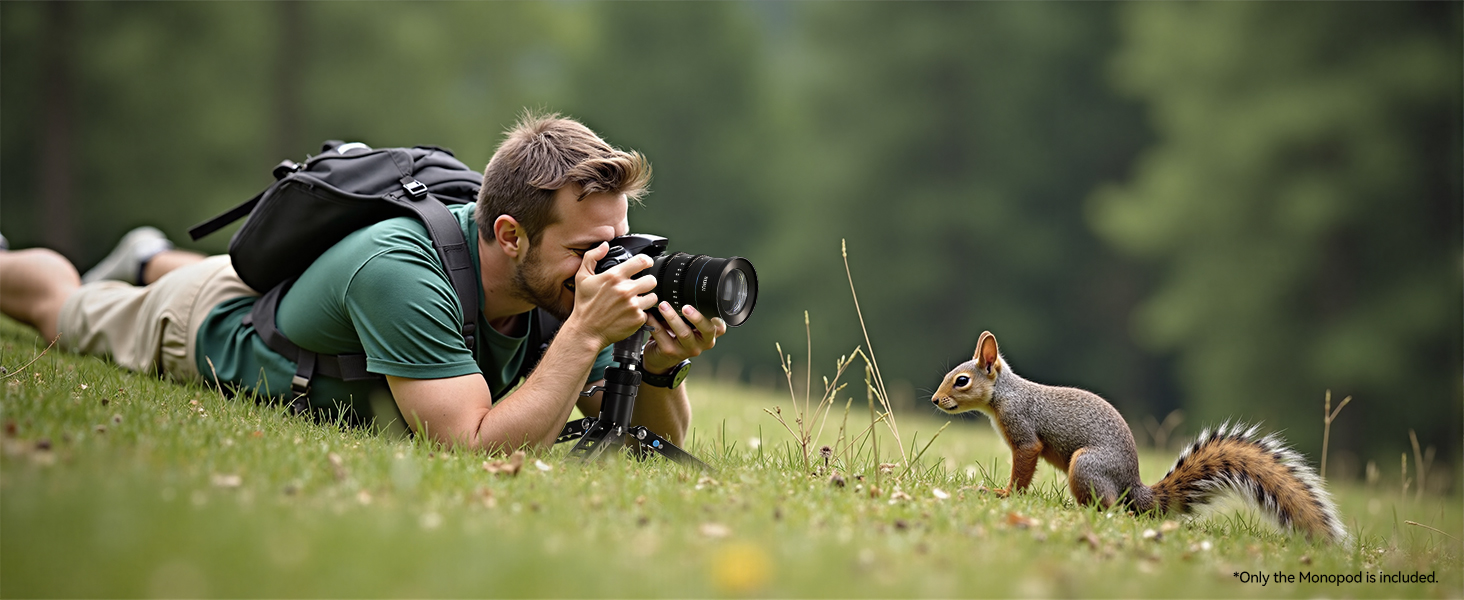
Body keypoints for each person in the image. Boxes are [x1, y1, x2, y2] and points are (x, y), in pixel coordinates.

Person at [0, 112, 725, 454]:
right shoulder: (402, 271)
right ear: (509, 235)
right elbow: (471, 444)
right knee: (57, 307)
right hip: (200, 324)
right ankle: (81, 265)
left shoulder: (554, 277)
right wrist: (588, 333)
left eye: (623, 239)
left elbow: (637, 432)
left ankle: (147, 252)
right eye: (593, 247)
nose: (612, 263)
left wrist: (661, 367)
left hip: (326, 302)